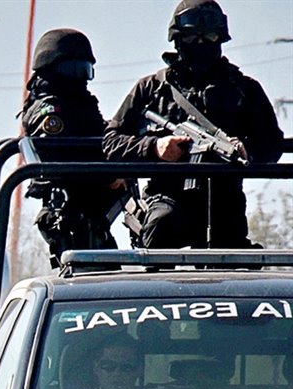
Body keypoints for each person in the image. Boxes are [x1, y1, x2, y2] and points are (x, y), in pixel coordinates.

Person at [102, 0, 284, 249]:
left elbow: (272, 144)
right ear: (178, 39)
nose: (200, 44)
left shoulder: (244, 90)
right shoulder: (152, 89)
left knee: (229, 260)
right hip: (167, 197)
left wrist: (247, 149)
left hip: (224, 201)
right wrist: (155, 148)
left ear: (219, 38)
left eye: (208, 36)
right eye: (191, 37)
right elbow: (111, 143)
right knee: (160, 229)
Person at [20, 28, 122, 267]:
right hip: (70, 214)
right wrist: (108, 173)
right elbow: (62, 157)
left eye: (85, 70)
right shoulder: (49, 111)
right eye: (73, 69)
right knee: (92, 278)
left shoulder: (82, 108)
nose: (80, 78)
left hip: (91, 212)